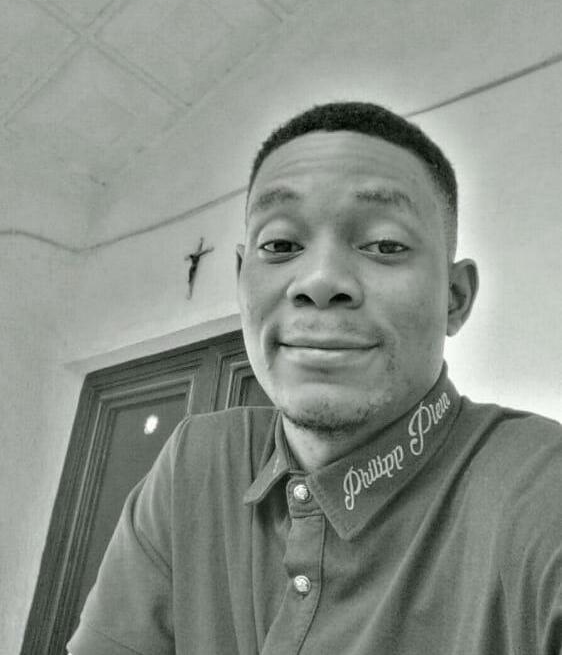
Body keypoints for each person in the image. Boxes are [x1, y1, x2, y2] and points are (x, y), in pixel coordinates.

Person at [68, 102, 562, 655]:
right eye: (280, 246)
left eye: (385, 245)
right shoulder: (198, 464)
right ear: (241, 280)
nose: (321, 280)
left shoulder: (539, 493)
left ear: (454, 297)